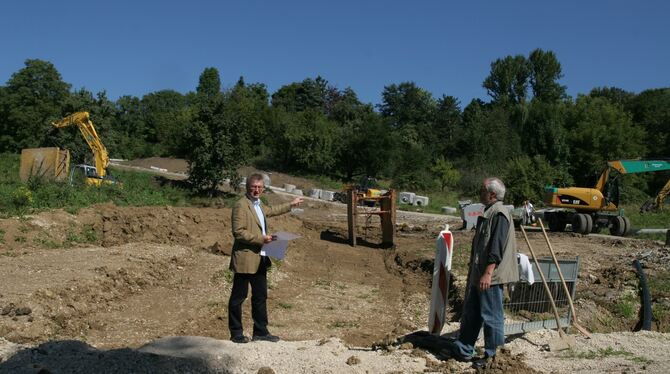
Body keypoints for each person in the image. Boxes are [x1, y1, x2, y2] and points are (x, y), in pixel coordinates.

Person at [444, 177, 519, 369]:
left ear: (492, 194)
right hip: (481, 274)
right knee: (473, 312)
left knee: (492, 317)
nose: (480, 193)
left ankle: (493, 358)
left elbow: (497, 246)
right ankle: (463, 349)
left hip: (490, 277)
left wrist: (488, 273)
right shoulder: (490, 212)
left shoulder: (500, 214)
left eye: (482, 190)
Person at [228, 173, 303, 343]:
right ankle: (236, 333)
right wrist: (262, 239)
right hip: (245, 258)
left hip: (260, 257)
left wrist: (290, 205)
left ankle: (261, 331)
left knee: (260, 296)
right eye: (254, 187)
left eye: (260, 187)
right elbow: (238, 232)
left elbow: (271, 211)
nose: (257, 190)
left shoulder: (259, 204)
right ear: (247, 187)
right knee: (238, 297)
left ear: (263, 188)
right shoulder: (241, 205)